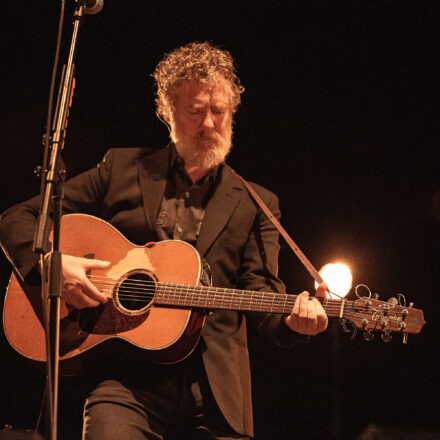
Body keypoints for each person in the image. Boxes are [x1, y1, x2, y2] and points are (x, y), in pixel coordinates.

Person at [0, 42, 328, 439]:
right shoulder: (120, 169)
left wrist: (294, 323)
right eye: (194, 112)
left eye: (219, 111)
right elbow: (18, 218)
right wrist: (51, 265)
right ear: (167, 112)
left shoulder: (258, 203)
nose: (209, 124)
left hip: (214, 391)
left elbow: (263, 295)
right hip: (125, 382)